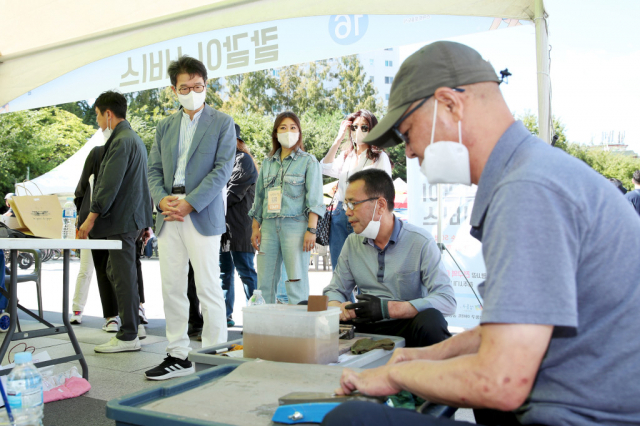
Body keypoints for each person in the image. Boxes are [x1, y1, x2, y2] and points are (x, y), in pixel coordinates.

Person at [324, 41, 640, 426]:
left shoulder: (527, 189)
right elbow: (504, 331)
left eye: (408, 134)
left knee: (351, 419)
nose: (409, 153)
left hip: (580, 416)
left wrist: (392, 374)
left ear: (450, 105)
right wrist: (420, 356)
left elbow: (501, 380)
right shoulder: (532, 172)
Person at [147, 55, 236, 380]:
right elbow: (153, 170)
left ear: (206, 85)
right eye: (185, 87)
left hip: (201, 211)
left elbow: (222, 169)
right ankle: (177, 354)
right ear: (174, 90)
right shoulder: (165, 126)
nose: (192, 92)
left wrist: (191, 202)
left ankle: (214, 355)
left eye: (198, 86)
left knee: (209, 286)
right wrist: (161, 200)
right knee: (171, 286)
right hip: (168, 211)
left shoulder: (222, 123)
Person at [323, 169, 455, 348]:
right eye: (346, 205)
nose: (347, 212)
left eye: (353, 204)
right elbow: (336, 289)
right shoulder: (352, 243)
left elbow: (447, 300)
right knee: (305, 308)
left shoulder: (420, 242)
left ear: (381, 205)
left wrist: (388, 309)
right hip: (363, 324)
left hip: (404, 324)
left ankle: (429, 374)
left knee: (432, 321)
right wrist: (337, 305)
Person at [78, 91, 153, 353]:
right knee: (118, 272)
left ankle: (128, 334)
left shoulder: (121, 141)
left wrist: (89, 219)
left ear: (108, 114)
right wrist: (145, 222)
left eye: (98, 116)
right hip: (131, 220)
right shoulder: (134, 140)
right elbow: (142, 186)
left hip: (122, 221)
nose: (98, 123)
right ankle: (133, 326)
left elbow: (107, 186)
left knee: (121, 276)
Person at [248, 112, 325, 305]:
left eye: (293, 127)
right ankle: (264, 328)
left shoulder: (309, 161)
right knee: (264, 281)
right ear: (275, 133)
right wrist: (255, 228)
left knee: (295, 280)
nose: (288, 131)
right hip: (268, 227)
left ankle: (299, 330)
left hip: (296, 227)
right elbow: (259, 198)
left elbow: (314, 199)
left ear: (299, 133)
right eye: (283, 127)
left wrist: (311, 230)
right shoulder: (267, 163)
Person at [321, 110, 392, 268]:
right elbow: (324, 168)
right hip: (340, 213)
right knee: (339, 270)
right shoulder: (346, 156)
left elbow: (386, 193)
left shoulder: (380, 157)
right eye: (354, 127)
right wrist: (338, 139)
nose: (358, 131)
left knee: (365, 272)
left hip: (366, 215)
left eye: (364, 127)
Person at [220, 124, 259, 326]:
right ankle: (224, 316)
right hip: (222, 228)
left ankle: (256, 315)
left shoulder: (243, 160)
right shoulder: (221, 161)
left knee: (246, 272)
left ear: (236, 140)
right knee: (223, 273)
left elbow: (232, 194)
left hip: (241, 227)